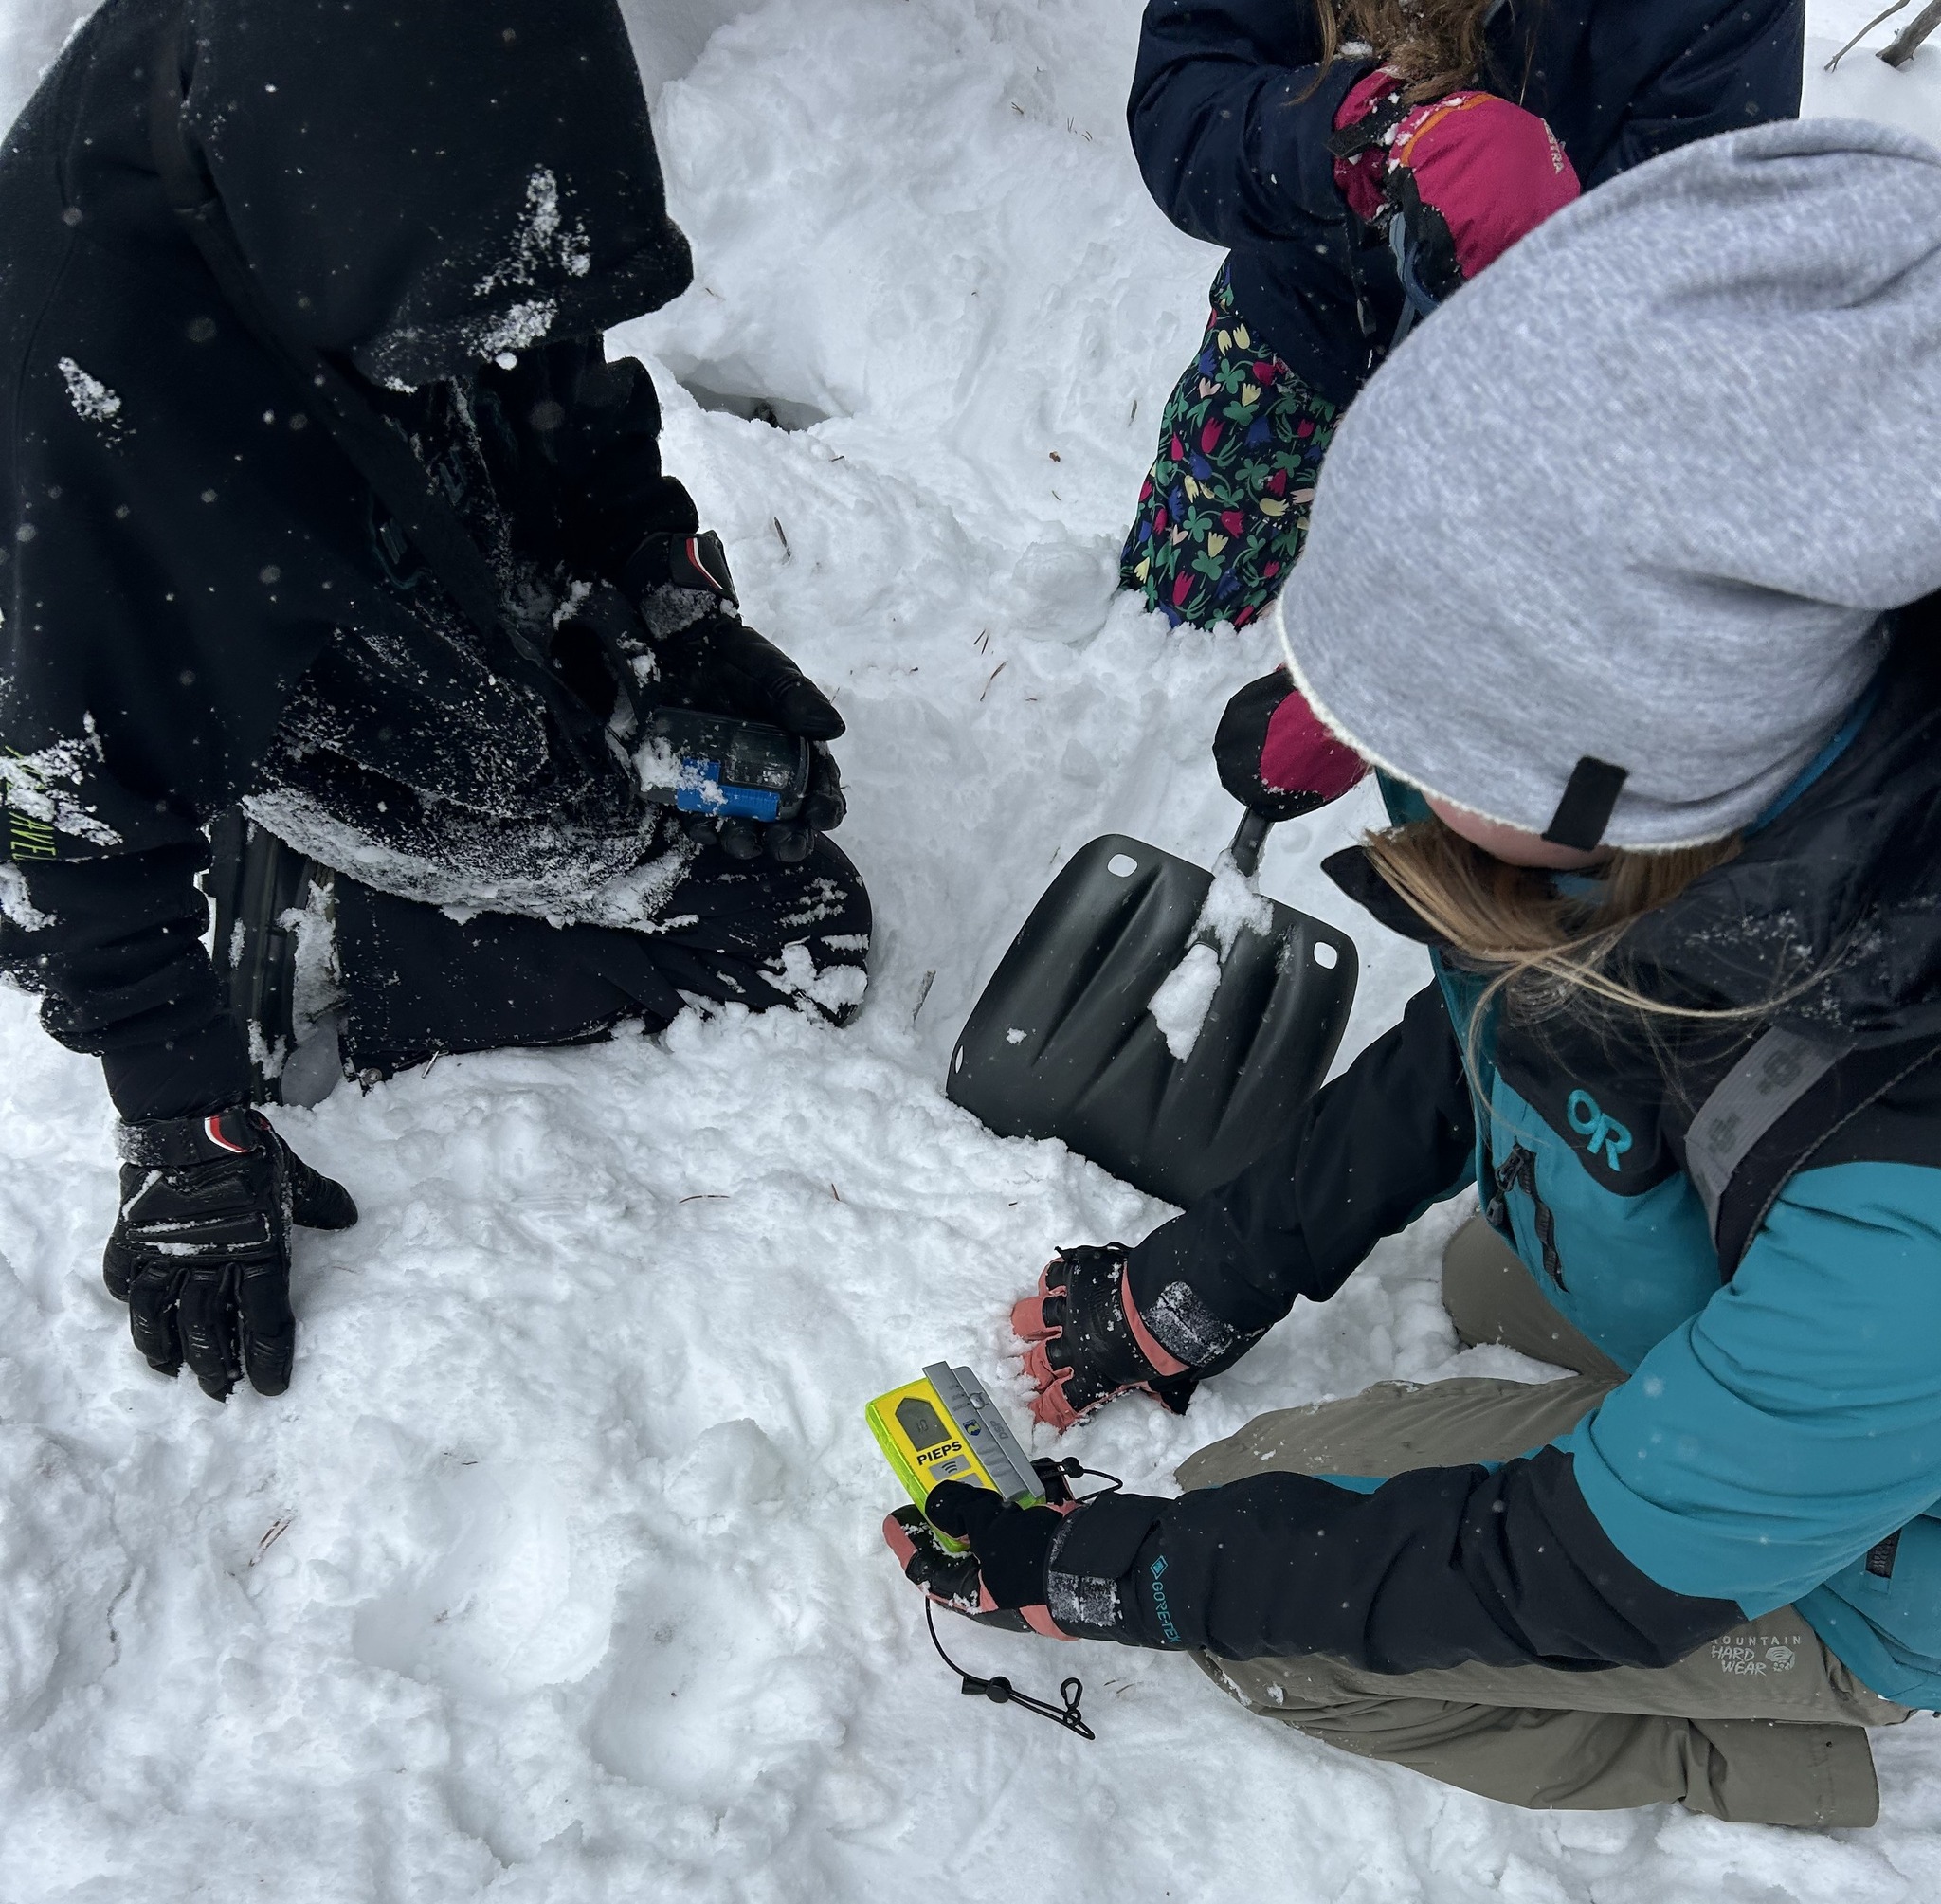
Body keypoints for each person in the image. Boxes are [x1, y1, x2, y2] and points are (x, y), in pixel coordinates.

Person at [888, 119, 1941, 1826]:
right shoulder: (1698, 812)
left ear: (1618, 765)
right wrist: (1207, 1278)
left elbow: (1563, 1574)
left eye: (1429, 737)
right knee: (1488, 1279)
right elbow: (1498, 1025)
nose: (1377, 763)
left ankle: (1802, 1703)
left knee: (1283, 1601)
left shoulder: (1904, 1152)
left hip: (1880, 1542)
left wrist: (1116, 1568)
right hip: (1807, 1297)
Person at [0, 0, 866, 1403]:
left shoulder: (387, 92)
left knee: (572, 684)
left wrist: (669, 606)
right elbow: (55, 805)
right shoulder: (84, 403)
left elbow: (551, 359)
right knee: (793, 930)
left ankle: (364, 820)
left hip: (338, 467)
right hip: (247, 615)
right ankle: (367, 928)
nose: (525, 333)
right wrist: (182, 1123)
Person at [1119, 0, 1806, 818]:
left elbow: (1679, 279)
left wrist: (1402, 654)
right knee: (1165, 623)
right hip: (1292, 333)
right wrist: (1369, 138)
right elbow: (1185, 97)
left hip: (1517, 403)